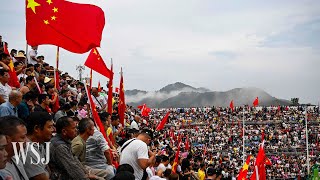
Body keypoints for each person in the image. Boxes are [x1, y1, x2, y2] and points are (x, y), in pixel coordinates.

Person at [24, 112, 54, 180]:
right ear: (36, 128)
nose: (53, 130)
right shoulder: (29, 151)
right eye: (50, 127)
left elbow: (47, 170)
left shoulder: (39, 143)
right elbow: (43, 178)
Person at [0, 116, 29, 180]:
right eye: (23, 137)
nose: (27, 141)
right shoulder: (2, 169)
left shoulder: (15, 157)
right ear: (7, 139)